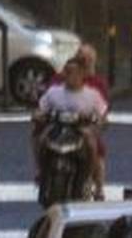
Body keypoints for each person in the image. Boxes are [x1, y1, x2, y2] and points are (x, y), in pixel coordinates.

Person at [36, 44, 110, 192]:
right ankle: (42, 172)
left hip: (81, 129)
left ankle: (89, 179)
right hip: (57, 126)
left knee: (91, 143)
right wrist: (38, 115)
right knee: (41, 139)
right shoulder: (54, 91)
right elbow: (41, 107)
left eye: (75, 73)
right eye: (68, 72)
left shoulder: (93, 93)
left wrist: (98, 121)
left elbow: (102, 113)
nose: (70, 76)